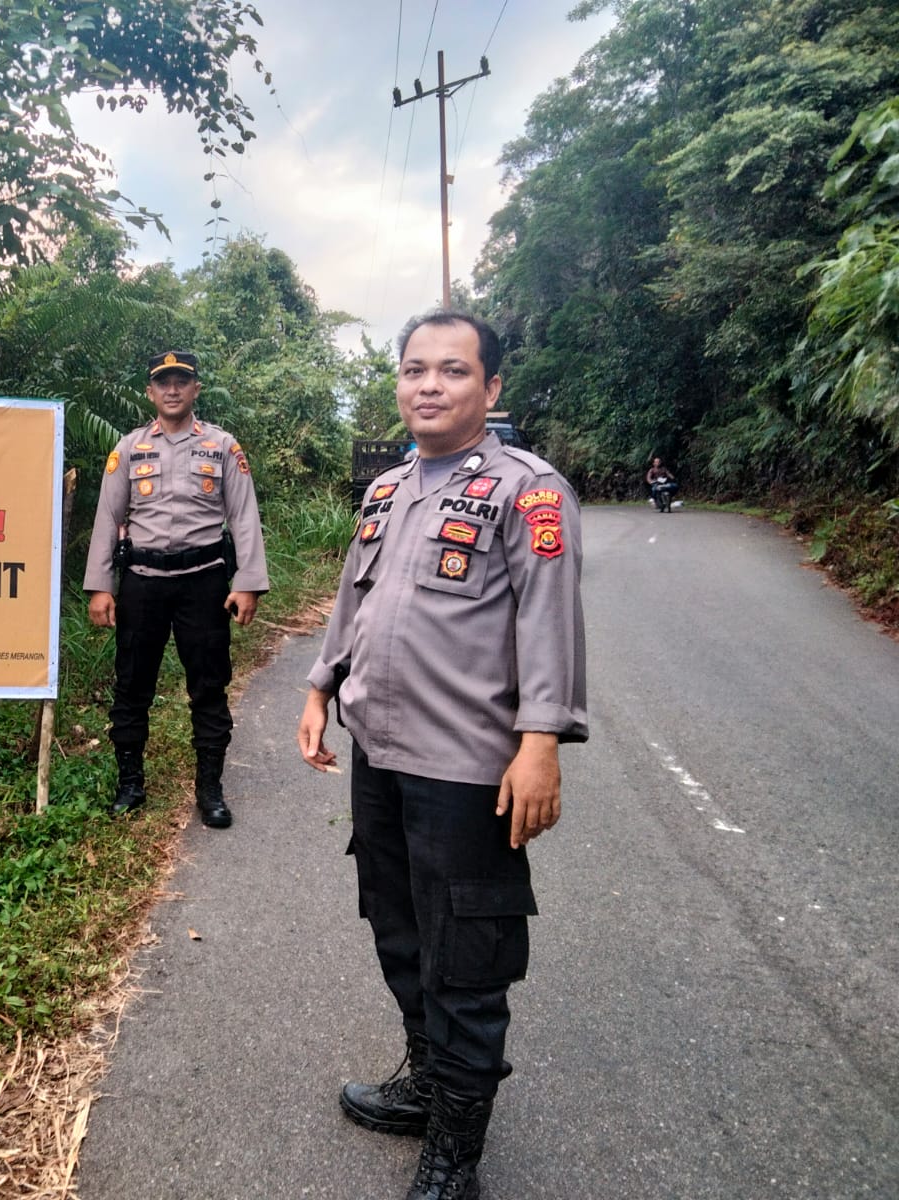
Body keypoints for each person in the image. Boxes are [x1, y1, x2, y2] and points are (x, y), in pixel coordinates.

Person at [296, 311, 587, 1200]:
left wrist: (540, 744)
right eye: (414, 368)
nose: (429, 385)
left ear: (490, 390)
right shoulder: (388, 491)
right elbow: (354, 601)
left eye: (452, 371)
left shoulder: (527, 492)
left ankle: (456, 1155)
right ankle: (427, 1079)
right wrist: (318, 687)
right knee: (397, 926)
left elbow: (549, 622)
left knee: (467, 956)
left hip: (467, 769)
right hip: (379, 753)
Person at [84, 350, 269, 828]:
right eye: (162, 382)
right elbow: (108, 518)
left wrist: (247, 582)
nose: (172, 389)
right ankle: (130, 783)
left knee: (208, 687)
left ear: (195, 390)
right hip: (142, 584)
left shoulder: (223, 447)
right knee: (132, 686)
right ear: (150, 392)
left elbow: (244, 517)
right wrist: (100, 586)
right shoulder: (128, 449)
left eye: (181, 381)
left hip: (204, 582)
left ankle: (209, 789)